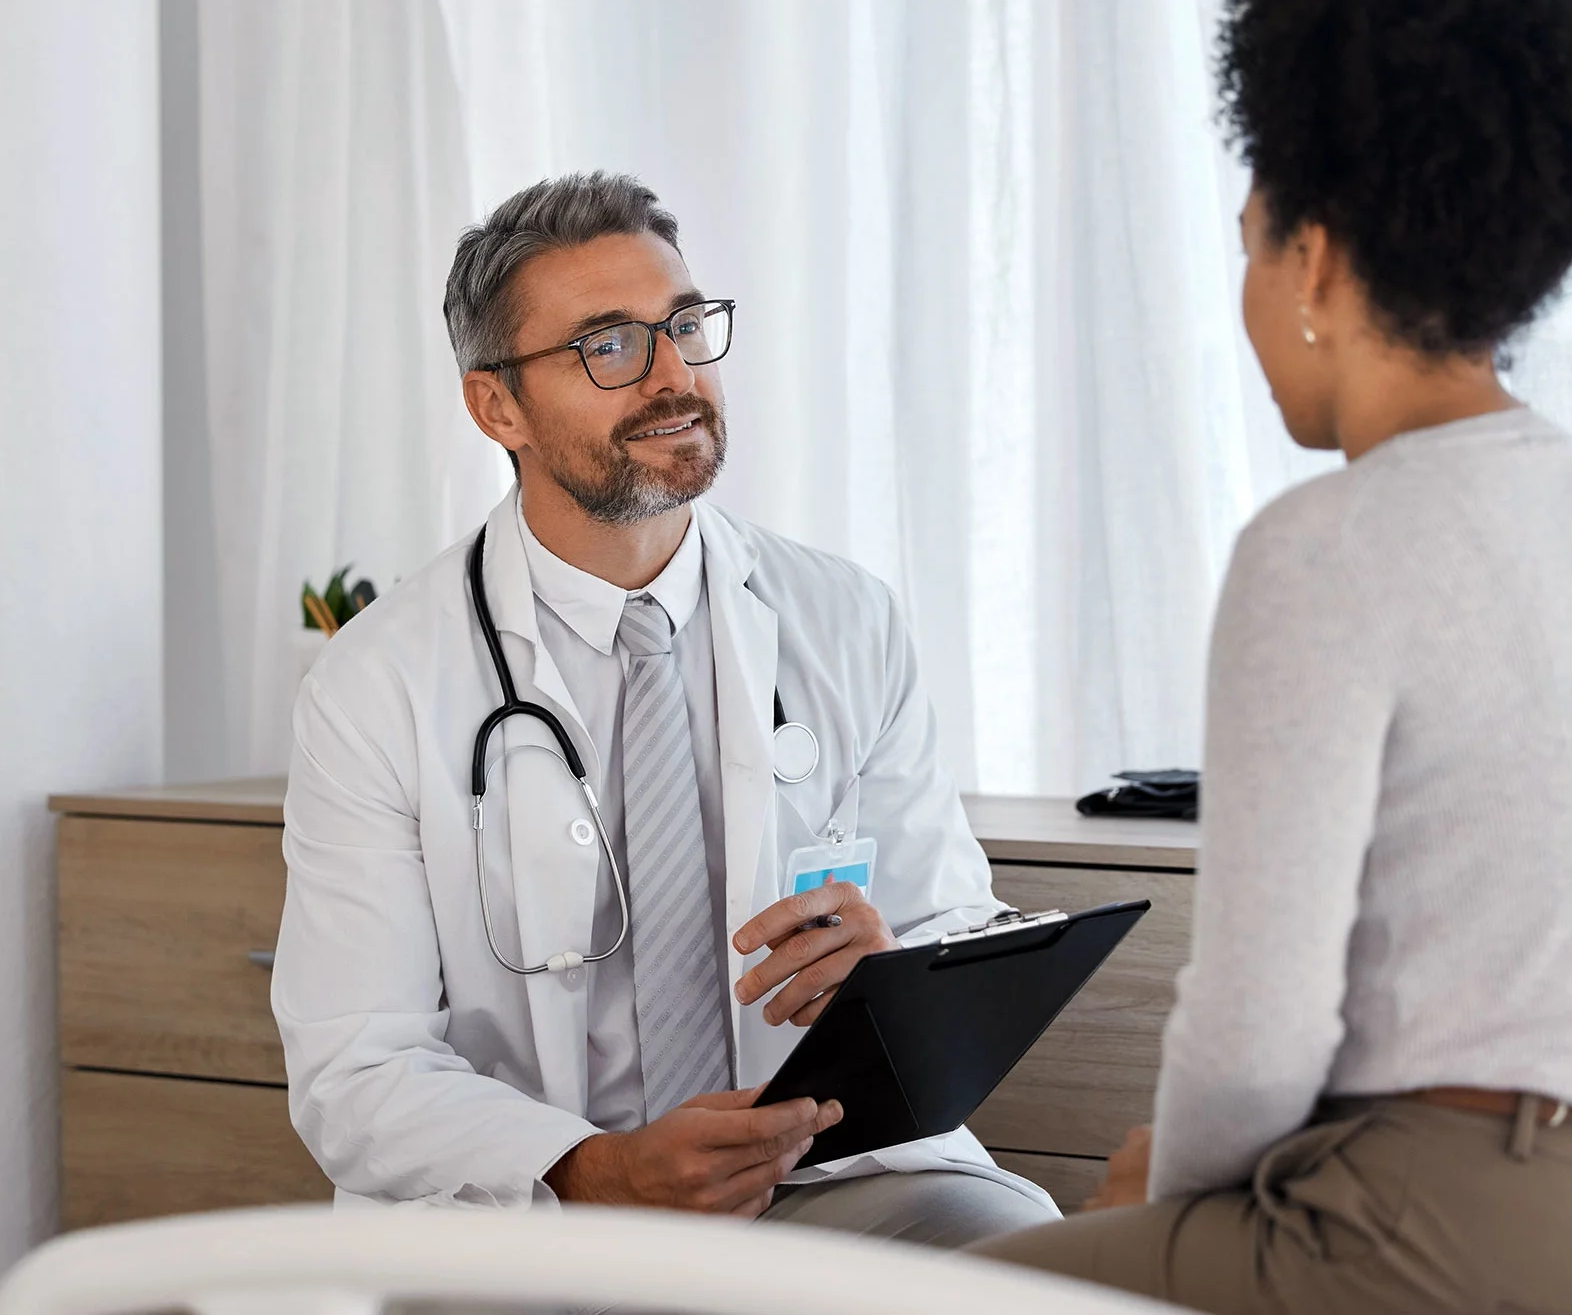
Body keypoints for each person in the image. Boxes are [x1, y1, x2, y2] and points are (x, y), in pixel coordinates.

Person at [970, 0, 1572, 1309]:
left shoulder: (1323, 545)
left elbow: (1256, 1024)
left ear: (1318, 260)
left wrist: (1167, 1191)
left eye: (1250, 244)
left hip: (1499, 1222)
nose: (1245, 293)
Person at [270, 173, 1060, 1247]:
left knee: (1028, 1266)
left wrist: (891, 977)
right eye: (609, 346)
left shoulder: (846, 619)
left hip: (826, 1174)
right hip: (540, 1211)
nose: (674, 377)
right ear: (498, 406)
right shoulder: (377, 684)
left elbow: (949, 929)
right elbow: (357, 1067)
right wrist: (601, 1170)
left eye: (684, 327)